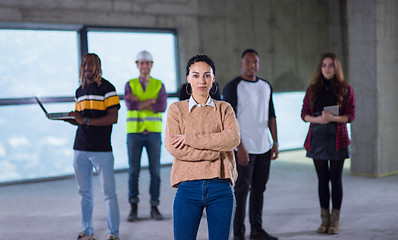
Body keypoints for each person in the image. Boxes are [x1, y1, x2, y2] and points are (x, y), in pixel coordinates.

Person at [165, 55, 240, 240]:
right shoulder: (176, 110)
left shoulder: (225, 109)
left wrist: (190, 138)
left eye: (207, 75)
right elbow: (174, 148)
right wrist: (217, 149)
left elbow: (233, 139)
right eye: (196, 75)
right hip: (187, 188)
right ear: (188, 78)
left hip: (221, 187)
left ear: (213, 78)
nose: (202, 80)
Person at [223, 49, 279, 240]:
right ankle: (238, 234)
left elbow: (271, 115)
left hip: (264, 146)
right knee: (241, 192)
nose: (251, 66)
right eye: (248, 62)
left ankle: (256, 230)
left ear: (258, 64)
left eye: (255, 62)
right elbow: (229, 121)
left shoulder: (265, 86)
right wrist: (240, 148)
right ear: (242, 64)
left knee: (259, 190)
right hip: (243, 149)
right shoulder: (233, 87)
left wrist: (275, 143)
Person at [65, 53, 120, 240]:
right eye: (84, 63)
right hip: (80, 148)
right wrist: (72, 119)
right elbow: (81, 121)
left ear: (98, 66)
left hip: (102, 149)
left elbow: (113, 118)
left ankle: (114, 233)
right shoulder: (79, 91)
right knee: (84, 192)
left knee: (109, 193)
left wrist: (84, 120)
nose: (86, 66)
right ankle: (87, 231)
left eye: (91, 63)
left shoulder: (108, 88)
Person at [301, 52, 355, 234]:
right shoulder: (312, 89)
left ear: (336, 67)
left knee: (336, 179)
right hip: (317, 137)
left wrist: (334, 118)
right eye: (324, 65)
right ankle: (324, 220)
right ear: (320, 68)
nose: (327, 68)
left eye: (330, 65)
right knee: (322, 180)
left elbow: (351, 116)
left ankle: (335, 220)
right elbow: (304, 115)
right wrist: (319, 120)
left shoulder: (345, 89)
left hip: (337, 138)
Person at [124, 50, 167, 222]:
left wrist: (140, 102)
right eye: (141, 63)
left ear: (151, 65)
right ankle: (133, 208)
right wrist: (151, 101)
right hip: (134, 133)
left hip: (153, 134)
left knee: (155, 172)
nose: (144, 66)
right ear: (137, 65)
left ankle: (154, 207)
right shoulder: (130, 84)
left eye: (147, 63)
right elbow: (130, 106)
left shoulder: (159, 84)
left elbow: (162, 106)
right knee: (133, 172)